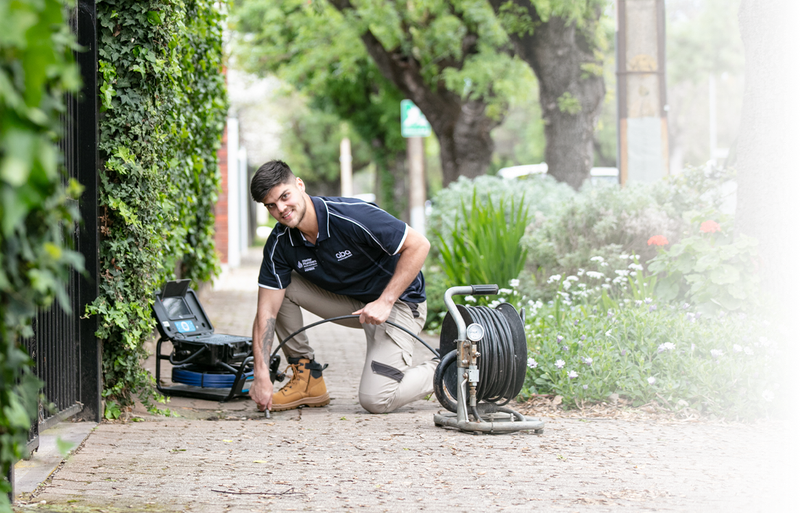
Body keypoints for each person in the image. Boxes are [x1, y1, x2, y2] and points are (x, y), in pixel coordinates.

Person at [248, 160, 437, 414]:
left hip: (399, 304)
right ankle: (307, 379)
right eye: (271, 205)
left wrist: (386, 301)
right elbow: (266, 312)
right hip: (354, 306)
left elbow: (419, 245)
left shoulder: (351, 215)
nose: (281, 209)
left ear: (299, 185)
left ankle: (449, 367)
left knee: (376, 399)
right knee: (282, 288)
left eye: (285, 196)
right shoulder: (280, 243)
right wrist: (260, 373)